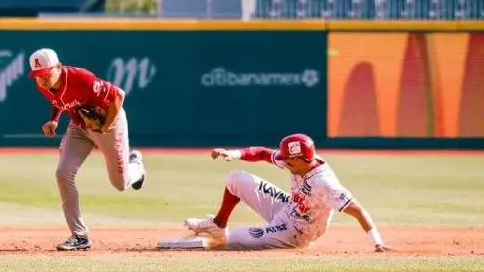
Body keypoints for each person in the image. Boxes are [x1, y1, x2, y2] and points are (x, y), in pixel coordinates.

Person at [183, 133, 388, 252]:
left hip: (297, 232)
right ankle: (219, 224)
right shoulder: (296, 161)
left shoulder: (324, 183)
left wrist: (377, 243)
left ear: (301, 159)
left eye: (289, 160)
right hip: (287, 207)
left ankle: (259, 237)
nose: (284, 161)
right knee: (235, 178)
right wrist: (234, 153)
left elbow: (358, 210)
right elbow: (262, 153)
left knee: (236, 238)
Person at [28, 48, 147, 251]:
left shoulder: (80, 77)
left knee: (120, 183)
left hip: (110, 121)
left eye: (46, 74)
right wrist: (54, 120)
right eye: (38, 76)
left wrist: (105, 126)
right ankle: (79, 236)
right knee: (63, 174)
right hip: (79, 126)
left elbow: (119, 95)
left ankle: (135, 164)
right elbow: (59, 101)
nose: (43, 79)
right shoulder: (43, 86)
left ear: (58, 67)